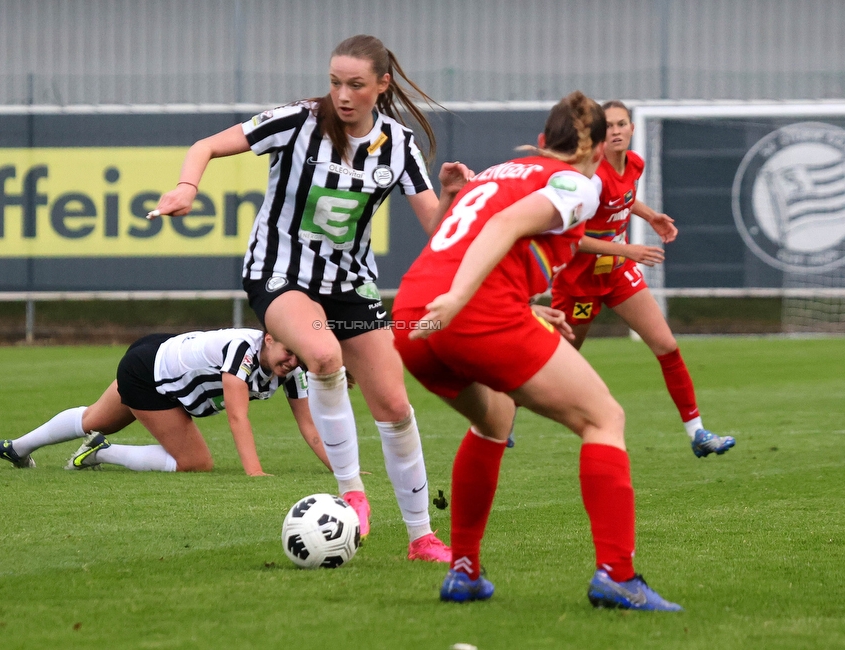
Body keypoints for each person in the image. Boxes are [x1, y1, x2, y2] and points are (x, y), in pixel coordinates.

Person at [150, 35, 470, 561]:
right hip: (279, 272)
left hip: (350, 283)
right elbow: (205, 146)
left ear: (381, 86)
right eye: (334, 82)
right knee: (322, 354)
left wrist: (454, 198)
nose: (341, 95)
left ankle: (421, 537)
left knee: (393, 404)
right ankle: (352, 495)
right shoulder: (296, 121)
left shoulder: (398, 144)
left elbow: (438, 229)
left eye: (355, 85)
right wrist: (187, 186)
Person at [393, 91, 682, 610]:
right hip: (466, 311)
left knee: (493, 419)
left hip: (413, 313)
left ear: (545, 141)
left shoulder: (501, 171)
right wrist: (463, 299)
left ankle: (465, 571)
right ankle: (618, 574)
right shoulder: (578, 182)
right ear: (594, 154)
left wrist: (510, 305)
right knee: (604, 419)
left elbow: (454, 242)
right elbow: (504, 227)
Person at [550, 100, 735, 458]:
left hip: (617, 274)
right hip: (579, 281)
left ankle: (697, 432)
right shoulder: (592, 177)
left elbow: (626, 198)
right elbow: (569, 236)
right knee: (552, 362)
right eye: (611, 126)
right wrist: (627, 251)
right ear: (601, 134)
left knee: (666, 345)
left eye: (623, 124)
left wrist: (651, 216)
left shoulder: (634, 164)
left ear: (632, 129)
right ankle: (499, 416)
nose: (617, 130)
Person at [0, 328, 331, 475]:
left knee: (95, 418)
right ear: (269, 338)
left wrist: (342, 469)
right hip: (150, 372)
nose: (292, 361)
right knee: (196, 462)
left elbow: (308, 424)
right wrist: (254, 472)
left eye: (299, 357)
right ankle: (99, 452)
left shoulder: (292, 371)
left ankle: (17, 447)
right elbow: (238, 417)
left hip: (157, 353)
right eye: (288, 352)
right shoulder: (244, 351)